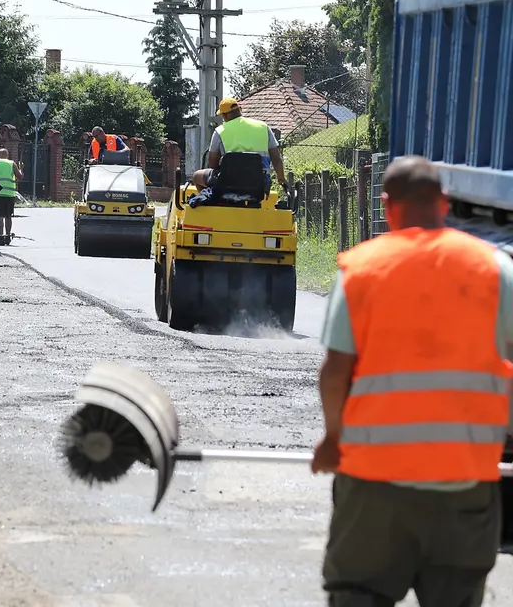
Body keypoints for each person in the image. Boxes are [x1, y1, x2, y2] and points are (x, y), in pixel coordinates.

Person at [311, 155, 513, 607]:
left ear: (386, 206)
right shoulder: (495, 268)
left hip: (372, 485)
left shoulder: (362, 269)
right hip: (464, 484)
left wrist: (333, 440)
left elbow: (335, 370)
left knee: (358, 595)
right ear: (444, 203)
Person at [191, 98, 287, 191]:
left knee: (196, 176)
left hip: (229, 182)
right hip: (261, 183)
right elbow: (276, 157)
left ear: (224, 116)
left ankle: (211, 198)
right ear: (240, 110)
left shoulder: (220, 131)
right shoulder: (263, 127)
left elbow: (212, 163)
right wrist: (281, 179)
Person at [0, 148, 23, 242]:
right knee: (8, 216)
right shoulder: (11, 163)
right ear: (7, 155)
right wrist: (21, 169)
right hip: (9, 194)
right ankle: (7, 236)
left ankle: (0, 236)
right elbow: (19, 177)